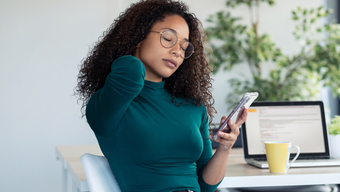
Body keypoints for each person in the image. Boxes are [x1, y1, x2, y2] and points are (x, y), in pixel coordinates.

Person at [76, 0, 248, 191]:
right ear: (139, 36)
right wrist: (130, 47)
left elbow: (206, 185)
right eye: (168, 38)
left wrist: (225, 148)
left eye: (184, 47)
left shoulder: (193, 106)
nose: (177, 52)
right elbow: (131, 70)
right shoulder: (110, 105)